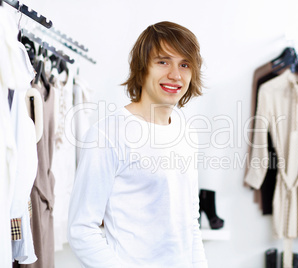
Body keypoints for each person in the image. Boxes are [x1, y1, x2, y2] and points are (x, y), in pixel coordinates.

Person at [68, 21, 208, 268]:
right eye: (163, 61)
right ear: (142, 68)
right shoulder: (107, 134)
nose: (175, 75)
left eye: (184, 64)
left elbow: (190, 223)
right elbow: (82, 230)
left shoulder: (186, 132)